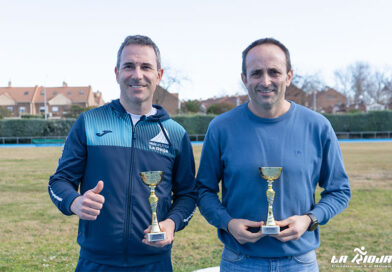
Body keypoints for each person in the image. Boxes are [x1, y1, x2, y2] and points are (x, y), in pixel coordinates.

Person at [196, 38, 351, 271]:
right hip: (239, 261)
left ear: (289, 76)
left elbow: (340, 190)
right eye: (256, 73)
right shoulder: (221, 128)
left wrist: (310, 219)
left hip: (300, 262)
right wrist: (228, 223)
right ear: (244, 78)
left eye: (274, 72)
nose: (265, 81)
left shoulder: (317, 126)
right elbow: (203, 190)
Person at [48, 35, 197, 272]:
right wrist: (74, 201)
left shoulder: (175, 134)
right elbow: (59, 181)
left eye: (146, 67)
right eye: (129, 66)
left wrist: (170, 223)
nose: (137, 75)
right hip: (96, 263)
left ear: (158, 75)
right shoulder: (90, 122)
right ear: (117, 73)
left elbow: (188, 195)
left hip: (154, 263)